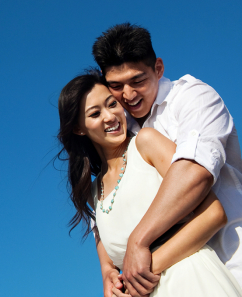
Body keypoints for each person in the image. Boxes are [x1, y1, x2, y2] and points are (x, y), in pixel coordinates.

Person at [57, 70, 242, 297]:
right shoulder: (93, 194)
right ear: (79, 128)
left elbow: (213, 214)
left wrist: (144, 271)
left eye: (112, 104)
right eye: (95, 113)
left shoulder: (146, 143)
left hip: (193, 281)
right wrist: (111, 278)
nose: (110, 116)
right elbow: (111, 268)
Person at [91, 23, 242, 296]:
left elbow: (194, 173)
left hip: (231, 257)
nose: (128, 95)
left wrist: (139, 239)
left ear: (158, 68)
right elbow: (104, 211)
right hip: (162, 280)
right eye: (116, 86)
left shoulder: (193, 98)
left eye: (138, 80)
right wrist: (108, 270)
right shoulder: (122, 133)